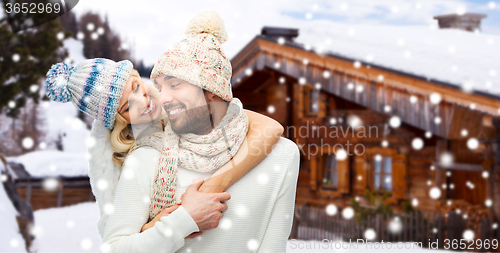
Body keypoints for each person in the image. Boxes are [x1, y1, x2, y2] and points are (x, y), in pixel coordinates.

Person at [103, 10, 300, 252]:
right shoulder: (146, 158)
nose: (162, 98)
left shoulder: (282, 156)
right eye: (160, 87)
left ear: (212, 90)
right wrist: (183, 220)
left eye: (175, 85)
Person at [43, 57, 285, 251]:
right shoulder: (133, 158)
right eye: (128, 106)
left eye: (136, 86)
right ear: (118, 120)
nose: (143, 100)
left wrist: (211, 188)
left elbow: (271, 128)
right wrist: (177, 219)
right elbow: (120, 243)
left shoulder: (181, 102)